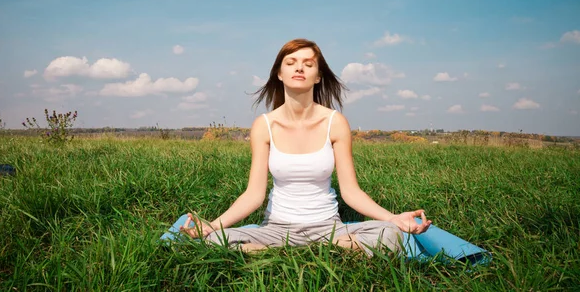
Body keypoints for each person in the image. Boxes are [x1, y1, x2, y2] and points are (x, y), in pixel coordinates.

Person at [180, 38, 431, 256]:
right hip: (277, 229)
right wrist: (213, 226)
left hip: (329, 229)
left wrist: (392, 218)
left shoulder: (335, 122)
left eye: (308, 64)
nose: (299, 67)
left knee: (389, 234)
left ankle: (288, 253)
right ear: (279, 73)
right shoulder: (264, 125)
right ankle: (325, 252)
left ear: (318, 75)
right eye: (291, 62)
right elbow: (253, 195)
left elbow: (351, 192)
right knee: (213, 241)